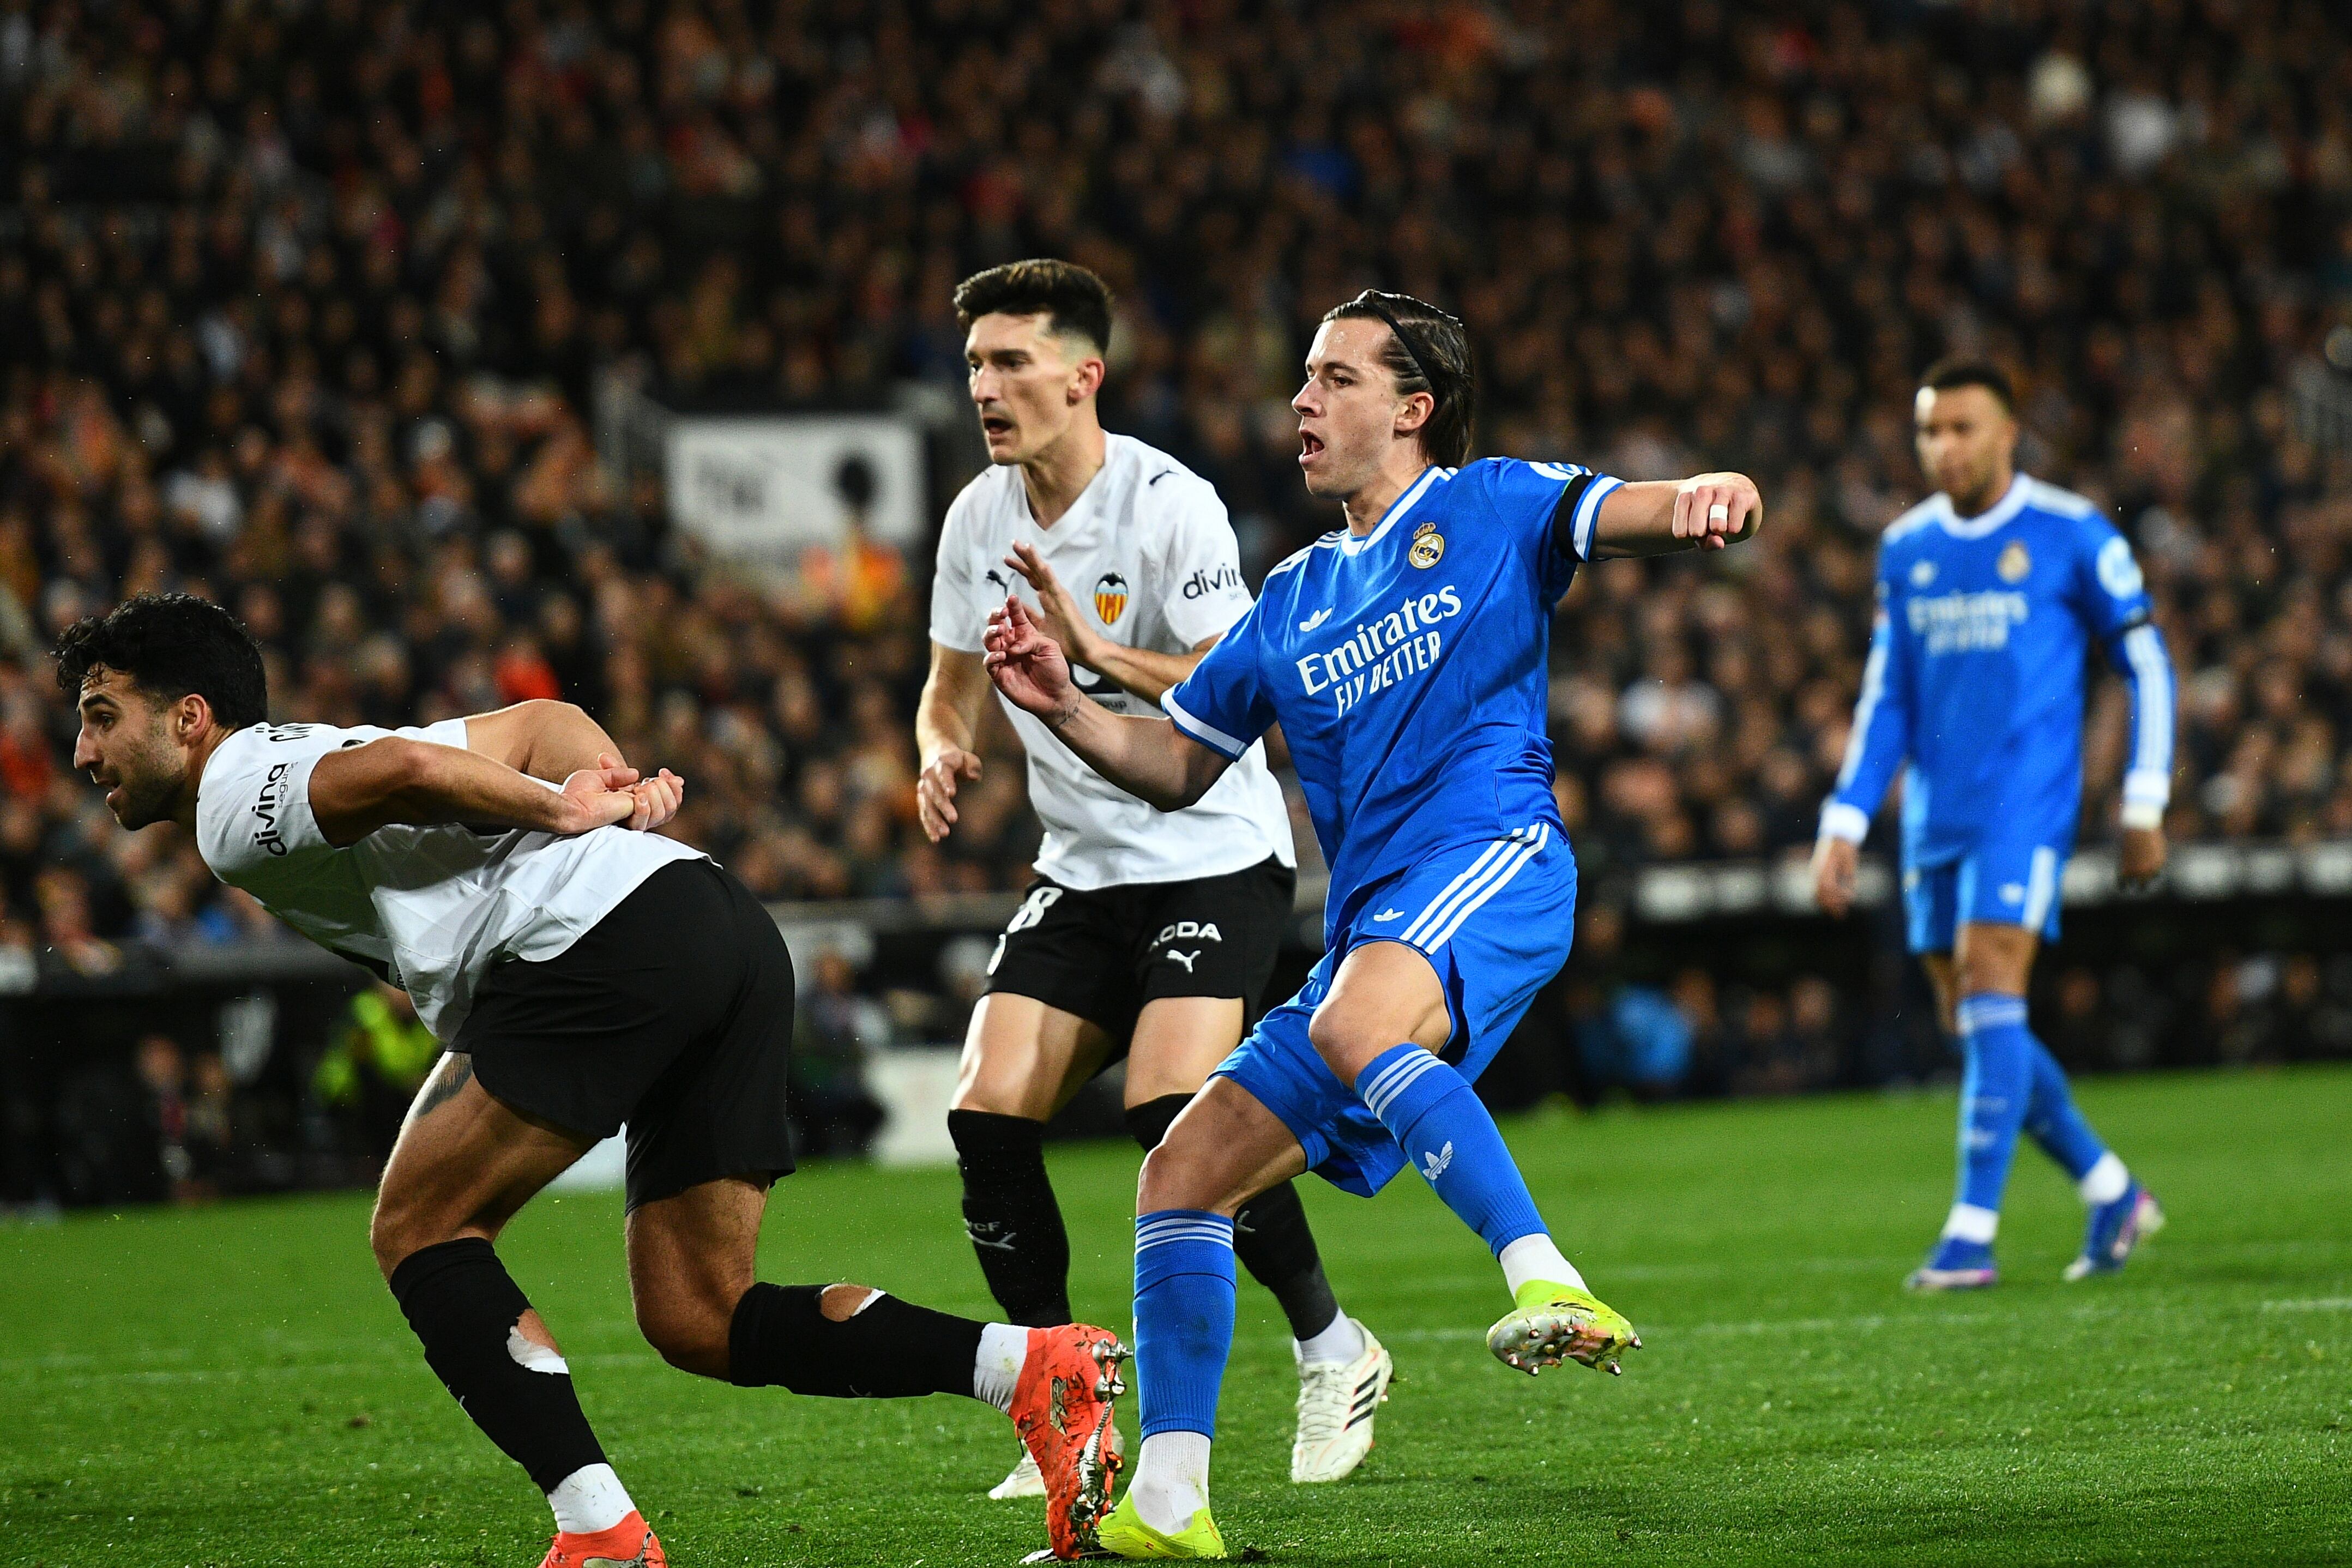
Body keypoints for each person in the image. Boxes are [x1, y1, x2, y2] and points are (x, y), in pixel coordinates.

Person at [58, 593, 1126, 1567]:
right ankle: (1032, 1368)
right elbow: (540, 718)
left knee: (421, 1226)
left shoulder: (235, 787)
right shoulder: (296, 754)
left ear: (190, 715)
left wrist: (562, 813)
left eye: (104, 714)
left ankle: (599, 1530)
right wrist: (597, 782)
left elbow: (404, 775)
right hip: (710, 920)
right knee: (701, 1313)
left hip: (597, 942)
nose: (82, 747)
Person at [983, 291, 1763, 1556]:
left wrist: (1711, 496)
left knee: (1354, 1017)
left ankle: (1542, 1275)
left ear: (1414, 410)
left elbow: (1638, 508)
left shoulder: (1490, 504)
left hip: (1494, 858)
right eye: (1304, 377)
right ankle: (1169, 1507)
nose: (1302, 400)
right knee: (1181, 1171)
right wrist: (1062, 707)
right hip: (1371, 930)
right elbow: (1184, 763)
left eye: (1335, 379)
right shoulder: (1293, 594)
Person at [916, 258, 1385, 1498]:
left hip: (1209, 854)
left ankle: (1333, 1344)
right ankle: (1066, 1395)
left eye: (1013, 361)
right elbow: (949, 679)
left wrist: (1090, 649)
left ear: (1085, 376)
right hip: (1081, 867)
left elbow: (1233, 683)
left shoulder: (1171, 503)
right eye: (976, 363)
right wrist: (940, 748)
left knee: (1170, 1118)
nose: (988, 386)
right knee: (984, 1114)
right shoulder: (977, 520)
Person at [1811, 359, 2172, 1291]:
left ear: (2008, 433)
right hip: (1936, 814)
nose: (1944, 447)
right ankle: (2111, 1187)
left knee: (1989, 985)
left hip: (2026, 806)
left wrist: (2142, 797)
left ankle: (1970, 1232)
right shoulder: (1905, 547)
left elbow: (2147, 663)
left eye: (1963, 428)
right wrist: (1845, 817)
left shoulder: (2069, 532)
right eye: (1930, 430)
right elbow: (1887, 695)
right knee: (1971, 1016)